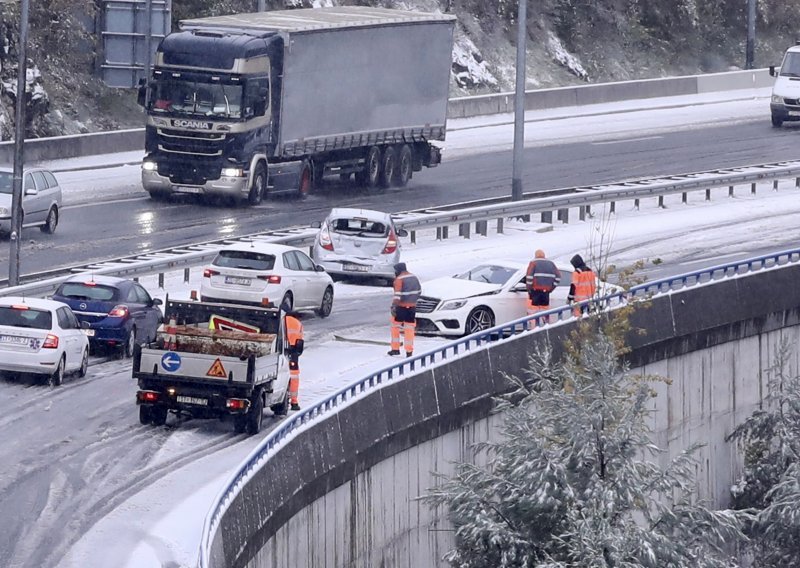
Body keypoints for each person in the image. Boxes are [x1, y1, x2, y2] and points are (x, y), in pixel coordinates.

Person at [388, 262, 421, 358]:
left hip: (401, 307)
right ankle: (409, 351)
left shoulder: (399, 280)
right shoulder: (414, 277)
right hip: (412, 307)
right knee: (409, 328)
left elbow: (397, 296)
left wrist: (394, 306)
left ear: (398, 270)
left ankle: (395, 349)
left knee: (395, 326)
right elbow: (419, 291)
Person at [525, 249, 561, 327]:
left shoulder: (533, 263)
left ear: (536, 255)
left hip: (535, 292)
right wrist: (551, 288)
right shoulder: (551, 264)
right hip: (546, 293)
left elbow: (529, 277)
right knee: (545, 312)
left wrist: (529, 289)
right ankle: (547, 327)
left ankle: (534, 329)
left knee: (533, 312)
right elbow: (558, 277)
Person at [283, 307, 304, 412]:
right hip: (293, 354)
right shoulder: (298, 324)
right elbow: (300, 342)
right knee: (294, 377)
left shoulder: (280, 319)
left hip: (280, 351)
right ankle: (294, 402)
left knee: (281, 376)